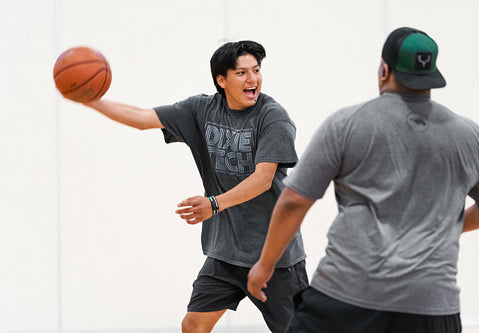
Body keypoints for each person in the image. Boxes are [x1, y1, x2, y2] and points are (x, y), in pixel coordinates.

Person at [247, 27, 479, 333]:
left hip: (347, 296)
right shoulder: (470, 137)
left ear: (384, 70)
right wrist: (446, 224)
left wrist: (265, 265)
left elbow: (294, 201)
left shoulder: (347, 124)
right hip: (432, 306)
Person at [79, 41, 308, 332]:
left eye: (257, 70)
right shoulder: (201, 109)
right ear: (221, 80)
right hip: (226, 251)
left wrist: (213, 204)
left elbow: (263, 180)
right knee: (194, 325)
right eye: (241, 73)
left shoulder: (273, 117)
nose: (253, 79)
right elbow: (142, 118)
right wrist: (91, 99)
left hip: (274, 255)